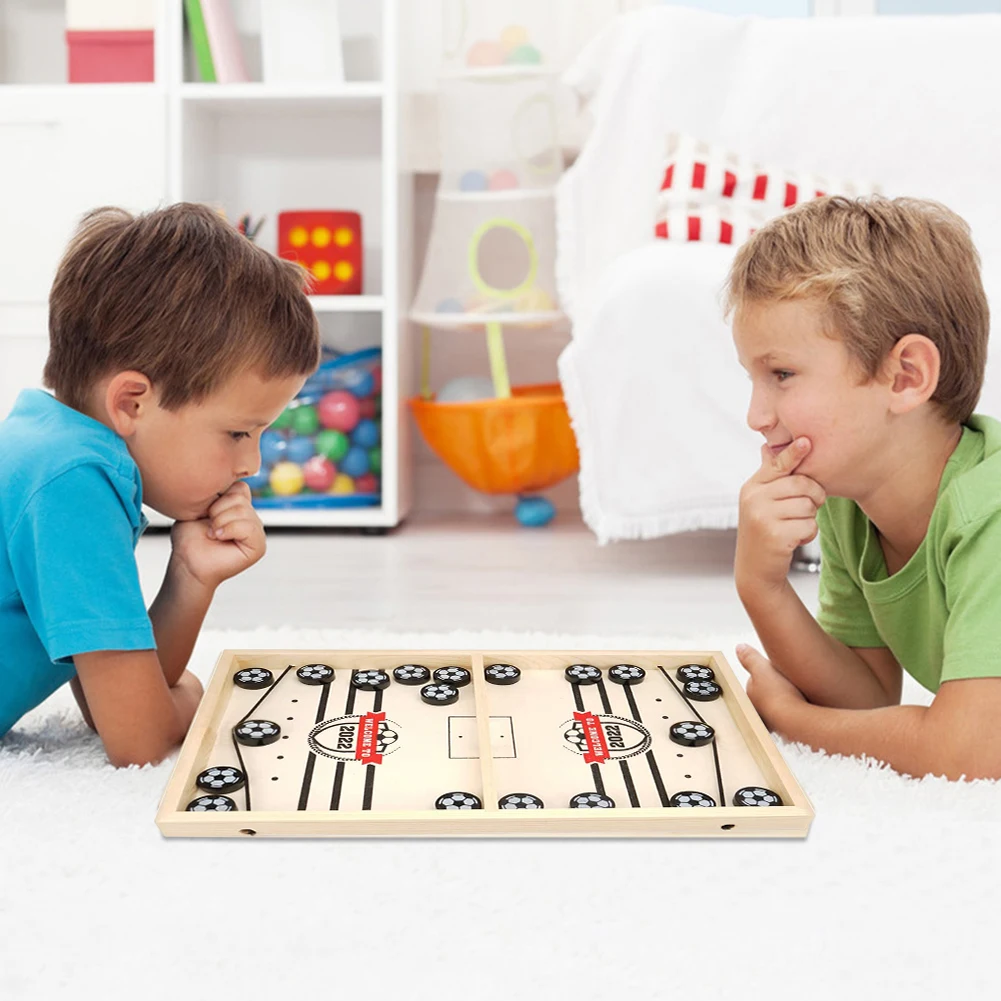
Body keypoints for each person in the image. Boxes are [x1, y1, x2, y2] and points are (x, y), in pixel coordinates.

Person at [0, 203, 319, 765]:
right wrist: (194, 700)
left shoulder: (53, 449)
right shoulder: (72, 483)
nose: (252, 464)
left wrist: (192, 577)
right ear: (131, 403)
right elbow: (138, 739)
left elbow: (112, 697)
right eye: (238, 432)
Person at [728, 195, 1001, 781]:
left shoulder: (991, 512)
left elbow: (972, 751)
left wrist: (793, 719)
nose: (756, 416)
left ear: (905, 377)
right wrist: (761, 586)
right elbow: (865, 699)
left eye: (781, 374)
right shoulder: (849, 503)